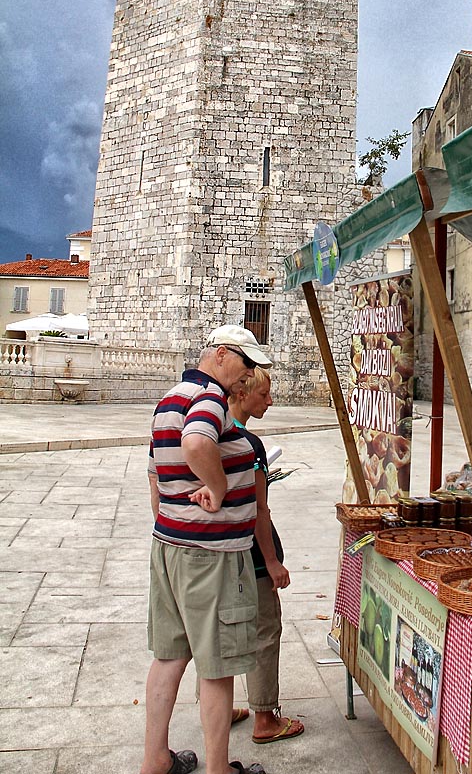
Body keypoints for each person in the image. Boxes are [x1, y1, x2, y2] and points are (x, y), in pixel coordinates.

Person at [142, 324, 272, 774]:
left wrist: (172, 514)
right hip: (212, 554)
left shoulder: (169, 399)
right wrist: (217, 489)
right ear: (221, 354)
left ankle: (156, 758)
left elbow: (157, 475)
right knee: (217, 667)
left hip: (170, 545)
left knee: (168, 657)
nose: (250, 374)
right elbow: (196, 442)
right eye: (247, 363)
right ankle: (219, 770)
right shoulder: (210, 398)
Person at [228, 368, 305, 745]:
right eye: (264, 395)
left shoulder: (204, 431)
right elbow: (260, 510)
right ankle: (264, 717)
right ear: (242, 395)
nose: (270, 401)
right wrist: (272, 562)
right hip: (252, 555)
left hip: (215, 551)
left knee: (219, 630)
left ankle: (220, 706)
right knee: (263, 630)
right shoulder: (249, 444)